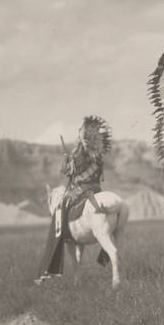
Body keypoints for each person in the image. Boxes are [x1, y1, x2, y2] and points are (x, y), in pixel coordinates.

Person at [36, 115, 112, 282]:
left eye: (79, 133)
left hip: (81, 191)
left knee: (59, 212)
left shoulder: (78, 153)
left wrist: (66, 161)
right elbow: (98, 176)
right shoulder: (97, 154)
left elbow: (68, 173)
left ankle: (53, 257)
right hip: (97, 190)